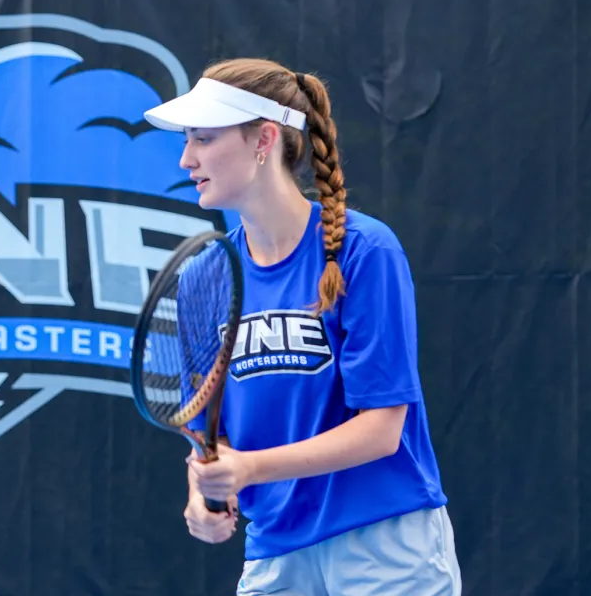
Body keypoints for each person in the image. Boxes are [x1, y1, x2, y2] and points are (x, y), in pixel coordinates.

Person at [142, 59, 461, 594]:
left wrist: (248, 470)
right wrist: (204, 498)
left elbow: (383, 430)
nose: (186, 159)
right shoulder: (203, 278)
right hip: (275, 548)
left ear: (264, 138)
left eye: (203, 138)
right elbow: (211, 430)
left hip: (384, 543)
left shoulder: (365, 250)